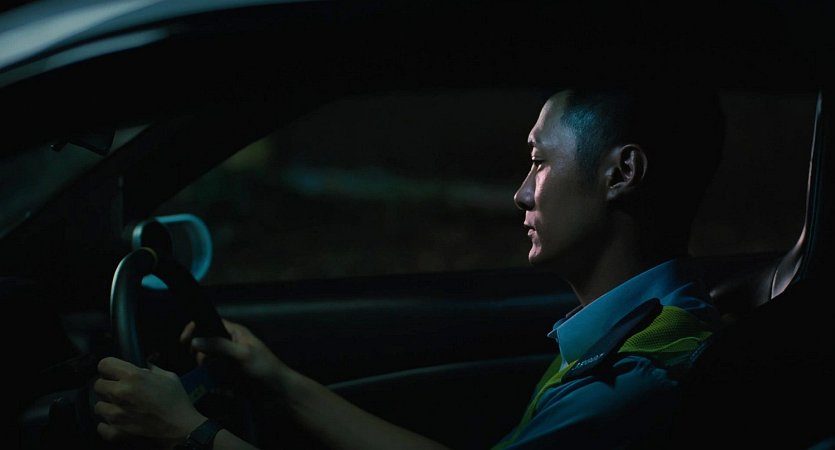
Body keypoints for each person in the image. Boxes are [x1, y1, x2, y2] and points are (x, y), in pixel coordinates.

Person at [93, 86, 726, 449]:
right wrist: (280, 382)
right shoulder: (632, 333)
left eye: (539, 161)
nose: (521, 193)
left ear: (621, 173)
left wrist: (189, 433)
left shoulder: (634, 382)